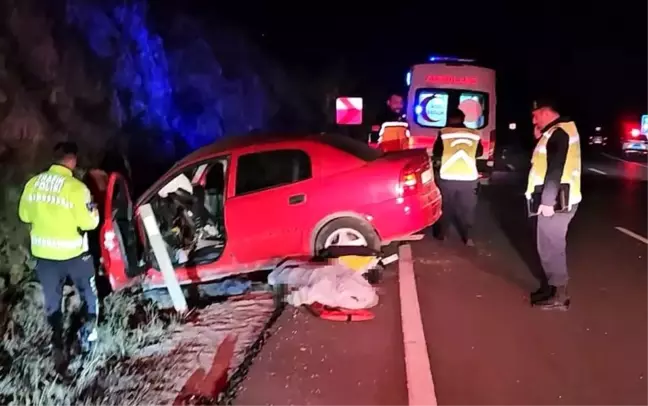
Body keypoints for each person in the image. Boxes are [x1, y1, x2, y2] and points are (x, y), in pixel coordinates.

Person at [18, 141, 101, 373]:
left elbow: (24, 215)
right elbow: (90, 222)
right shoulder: (77, 189)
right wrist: (92, 209)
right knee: (88, 294)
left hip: (44, 256)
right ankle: (88, 341)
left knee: (52, 302)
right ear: (72, 160)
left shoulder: (33, 184)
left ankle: (57, 344)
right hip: (73, 254)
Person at [527, 99, 581, 310]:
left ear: (547, 112)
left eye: (536, 115)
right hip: (559, 197)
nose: (533, 120)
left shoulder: (559, 133)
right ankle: (551, 288)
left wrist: (547, 201)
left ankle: (559, 296)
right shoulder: (557, 131)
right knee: (547, 246)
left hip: (557, 200)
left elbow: (555, 169)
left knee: (551, 247)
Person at [432, 108, 483, 246]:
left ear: (449, 119)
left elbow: (437, 152)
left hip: (447, 176)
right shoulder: (474, 133)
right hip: (468, 177)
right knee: (467, 208)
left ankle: (442, 234)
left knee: (445, 206)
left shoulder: (444, 132)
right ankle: (467, 236)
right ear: (463, 119)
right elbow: (479, 153)